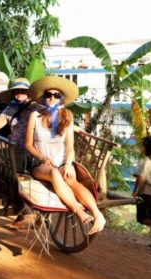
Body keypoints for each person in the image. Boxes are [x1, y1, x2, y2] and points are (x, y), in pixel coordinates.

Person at [25, 76, 106, 235]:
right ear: (43, 97)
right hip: (41, 164)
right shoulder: (34, 116)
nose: (52, 98)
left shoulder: (67, 117)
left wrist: (68, 164)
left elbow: (70, 148)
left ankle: (97, 214)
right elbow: (28, 144)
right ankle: (77, 209)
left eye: (56, 95)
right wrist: (42, 157)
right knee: (54, 173)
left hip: (62, 161)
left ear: (61, 98)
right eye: (48, 94)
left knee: (70, 179)